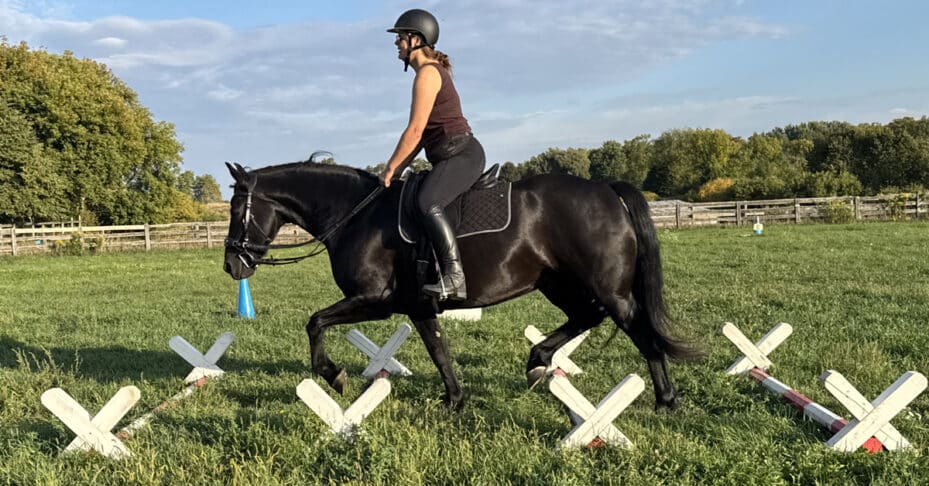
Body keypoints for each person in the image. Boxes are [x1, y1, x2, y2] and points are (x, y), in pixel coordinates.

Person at [380, 9, 486, 302]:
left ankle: (454, 277)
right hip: (449, 154)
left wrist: (389, 169)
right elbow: (423, 135)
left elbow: (414, 131)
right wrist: (399, 168)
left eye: (400, 37)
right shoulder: (426, 73)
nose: (397, 43)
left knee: (428, 201)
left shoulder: (427, 73)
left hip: (462, 154)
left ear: (416, 39)